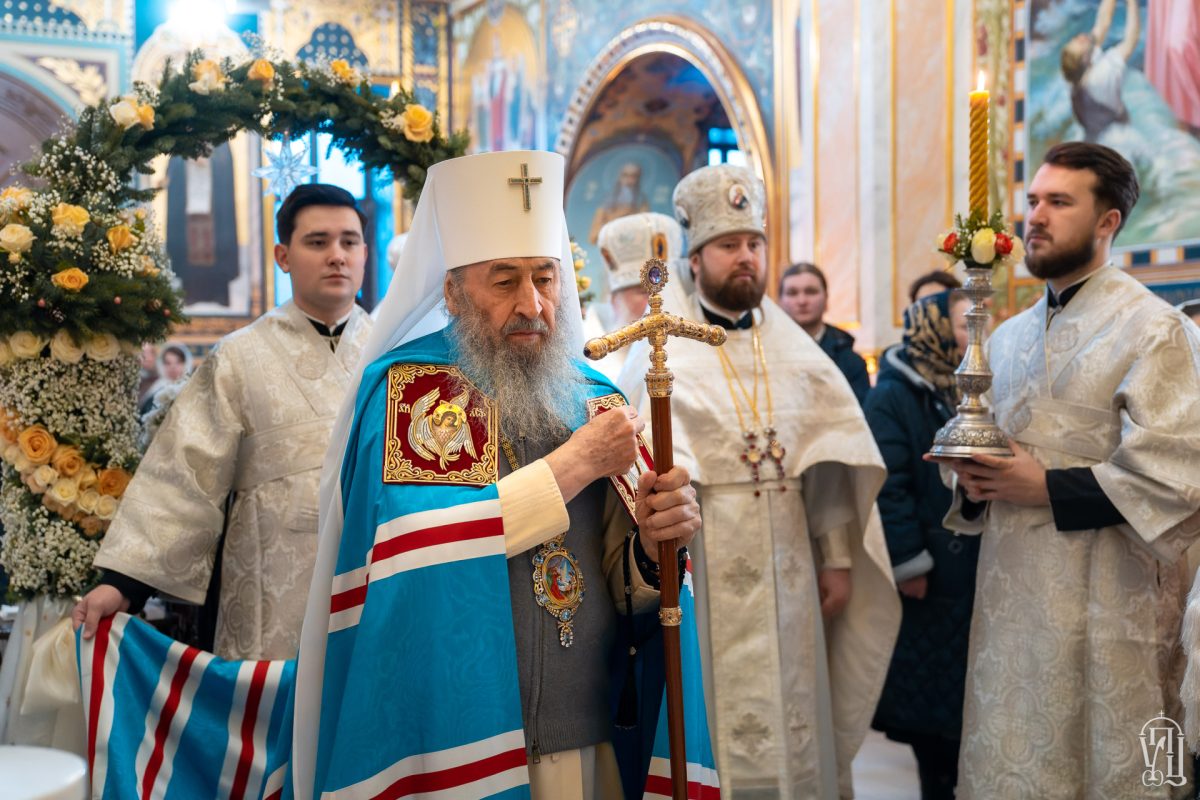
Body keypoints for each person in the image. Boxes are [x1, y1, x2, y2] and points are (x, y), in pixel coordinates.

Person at [291, 150, 716, 800]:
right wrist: (575, 464)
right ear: (453, 292)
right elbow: (419, 557)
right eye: (504, 281)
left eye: (545, 278)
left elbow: (630, 588)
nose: (532, 304)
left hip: (589, 735)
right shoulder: (418, 392)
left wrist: (658, 545)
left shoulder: (594, 398)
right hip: (458, 739)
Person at [622, 164, 899, 798]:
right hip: (706, 565)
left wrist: (836, 558)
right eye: (729, 245)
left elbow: (827, 465)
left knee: (794, 707)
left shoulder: (797, 350)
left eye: (754, 243)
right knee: (717, 714)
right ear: (696, 259)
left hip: (791, 565)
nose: (746, 257)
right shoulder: (663, 348)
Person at [933, 142, 1200, 798]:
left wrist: (1046, 487)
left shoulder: (1156, 329)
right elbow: (987, 450)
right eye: (1032, 201)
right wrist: (973, 479)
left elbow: (1177, 474)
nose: (1036, 217)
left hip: (1112, 602)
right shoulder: (1005, 337)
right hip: (1010, 605)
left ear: (1108, 221)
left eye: (1059, 202)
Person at [72, 183, 374, 660]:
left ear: (364, 254)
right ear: (283, 256)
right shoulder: (238, 356)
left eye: (349, 242)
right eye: (318, 242)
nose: (336, 255)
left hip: (375, 575)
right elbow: (185, 477)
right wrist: (123, 585)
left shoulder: (395, 355)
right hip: (269, 585)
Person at [866, 290, 978, 800]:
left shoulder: (965, 385)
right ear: (932, 329)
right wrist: (909, 562)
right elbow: (888, 485)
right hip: (931, 574)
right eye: (964, 324)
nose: (975, 335)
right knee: (934, 714)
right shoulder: (895, 393)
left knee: (962, 708)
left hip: (969, 569)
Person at [593, 211, 684, 377]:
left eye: (667, 292)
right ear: (615, 301)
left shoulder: (694, 356)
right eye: (643, 292)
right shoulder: (598, 366)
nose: (659, 302)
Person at [778, 262, 871, 404]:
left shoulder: (851, 362)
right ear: (780, 301)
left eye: (810, 292)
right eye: (792, 293)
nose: (802, 301)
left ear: (826, 298)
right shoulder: (765, 354)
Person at [1060, 0, 1140, 141]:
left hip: (1093, 136)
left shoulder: (1075, 75)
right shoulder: (1101, 76)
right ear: (1085, 59)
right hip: (1119, 137)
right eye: (1080, 42)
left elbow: (1102, 24)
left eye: (1075, 39)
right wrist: (1132, 3)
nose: (1081, 36)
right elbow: (1130, 41)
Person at [589, 162, 650, 243]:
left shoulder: (641, 202)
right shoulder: (607, 201)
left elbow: (645, 228)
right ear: (619, 177)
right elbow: (594, 233)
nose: (629, 180)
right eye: (625, 175)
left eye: (633, 176)